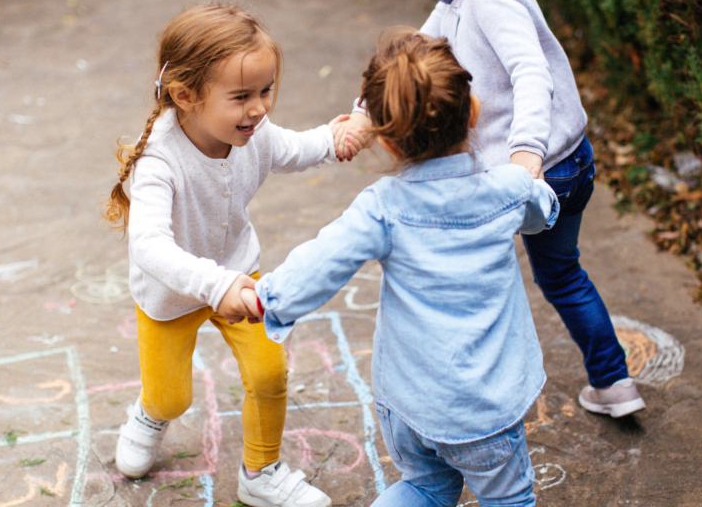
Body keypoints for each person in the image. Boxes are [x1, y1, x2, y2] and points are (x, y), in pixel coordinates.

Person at [237, 31, 559, 507]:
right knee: (509, 500)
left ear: (386, 142)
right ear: (473, 112)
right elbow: (541, 212)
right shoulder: (508, 189)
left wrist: (268, 298)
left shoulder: (384, 207)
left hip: (408, 403)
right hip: (484, 411)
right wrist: (538, 189)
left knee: (425, 487)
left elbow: (325, 258)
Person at [336, 0, 645, 418]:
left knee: (471, 277)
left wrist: (527, 153)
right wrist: (362, 113)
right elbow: (410, 58)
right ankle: (614, 384)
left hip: (534, 173)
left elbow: (532, 72)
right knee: (563, 275)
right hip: (567, 161)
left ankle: (473, 393)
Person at [101, 2, 339, 507]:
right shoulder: (159, 160)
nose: (259, 109)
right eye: (242, 97)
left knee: (269, 373)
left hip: (239, 272)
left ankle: (261, 473)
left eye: (265, 91)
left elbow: (295, 148)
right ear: (185, 96)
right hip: (171, 295)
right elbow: (148, 245)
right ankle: (150, 413)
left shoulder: (254, 134)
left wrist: (337, 138)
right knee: (172, 397)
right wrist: (216, 285)